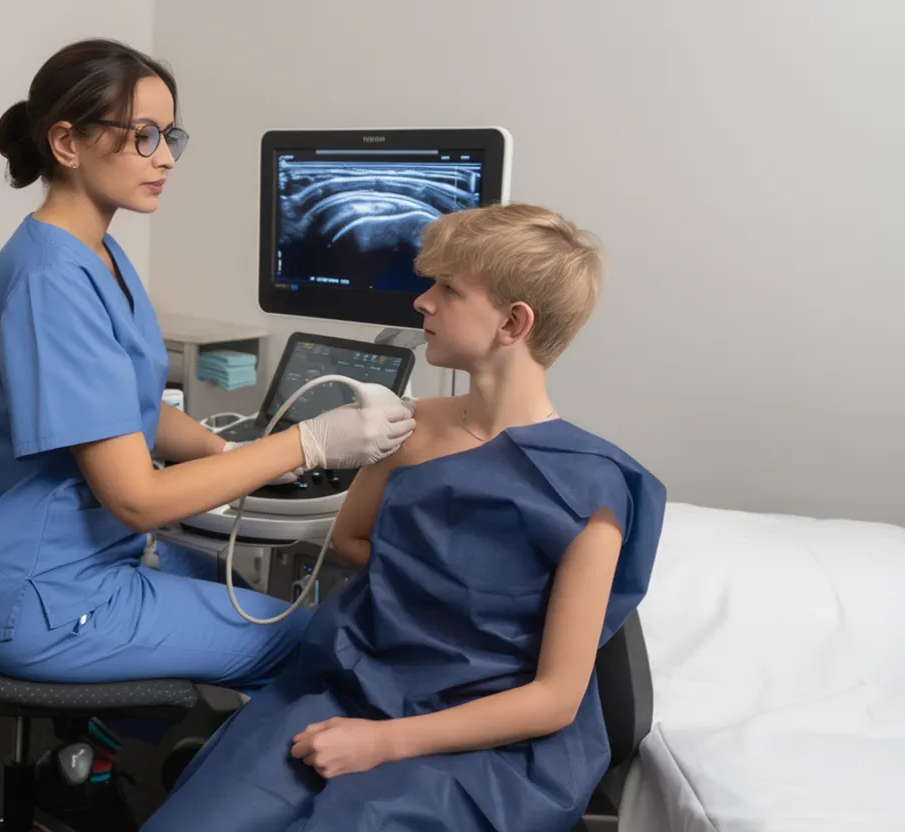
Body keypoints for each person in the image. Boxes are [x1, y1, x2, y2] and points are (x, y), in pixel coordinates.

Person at [140, 203, 668, 832]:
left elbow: (554, 699)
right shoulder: (409, 428)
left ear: (513, 322)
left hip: (486, 738)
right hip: (358, 681)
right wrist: (432, 599)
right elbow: (353, 538)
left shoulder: (593, 490)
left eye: (448, 289)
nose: (423, 302)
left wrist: (384, 742)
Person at [0, 39, 416, 702]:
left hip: (74, 565)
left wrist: (233, 453)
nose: (165, 157)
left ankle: (121, 742)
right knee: (311, 642)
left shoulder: (95, 253)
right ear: (67, 143)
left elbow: (130, 406)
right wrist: (307, 444)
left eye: (169, 136)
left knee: (239, 587)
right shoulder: (50, 282)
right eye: (142, 136)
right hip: (45, 600)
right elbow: (136, 498)